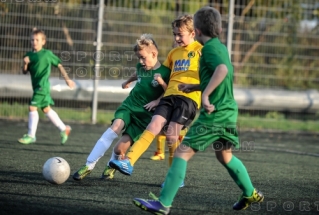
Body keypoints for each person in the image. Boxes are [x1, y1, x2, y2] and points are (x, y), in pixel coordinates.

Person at [132, 6, 264, 214]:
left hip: (215, 114)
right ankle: (249, 192)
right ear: (219, 28)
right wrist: (195, 87)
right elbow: (220, 75)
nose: (177, 38)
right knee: (225, 156)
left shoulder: (208, 49)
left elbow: (222, 70)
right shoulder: (218, 47)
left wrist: (204, 95)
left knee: (181, 153)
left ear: (198, 31)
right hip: (229, 112)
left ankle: (163, 203)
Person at [109, 14, 202, 188]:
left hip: (188, 99)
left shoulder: (200, 51)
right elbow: (158, 71)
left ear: (193, 33)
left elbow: (210, 75)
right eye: (174, 34)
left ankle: (176, 178)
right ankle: (128, 161)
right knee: (153, 126)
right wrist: (140, 72)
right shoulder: (173, 53)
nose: (176, 38)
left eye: (180, 34)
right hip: (168, 97)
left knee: (172, 136)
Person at [72, 34, 171, 181]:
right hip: (129, 105)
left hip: (144, 116)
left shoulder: (165, 73)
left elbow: (169, 92)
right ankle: (89, 165)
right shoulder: (141, 67)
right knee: (115, 128)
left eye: (143, 57)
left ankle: (110, 167)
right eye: (138, 58)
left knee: (119, 150)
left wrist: (158, 98)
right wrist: (128, 81)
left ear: (154, 54)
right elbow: (137, 73)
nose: (140, 61)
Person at [18, 29, 74, 145]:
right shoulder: (28, 55)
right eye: (32, 40)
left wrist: (67, 80)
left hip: (42, 86)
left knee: (32, 108)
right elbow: (24, 72)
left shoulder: (47, 54)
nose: (34, 42)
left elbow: (59, 65)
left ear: (43, 41)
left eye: (37, 40)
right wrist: (25, 63)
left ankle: (31, 135)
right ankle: (64, 129)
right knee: (46, 109)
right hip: (37, 86)